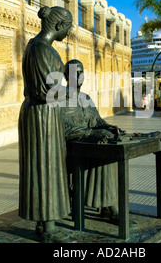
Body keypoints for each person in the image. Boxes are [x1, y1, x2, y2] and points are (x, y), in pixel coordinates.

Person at [18, 6, 73, 242]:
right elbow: (47, 91)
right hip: (41, 115)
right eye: (68, 28)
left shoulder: (38, 47)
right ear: (59, 26)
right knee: (45, 167)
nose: (68, 34)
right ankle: (47, 227)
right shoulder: (41, 50)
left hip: (42, 114)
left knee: (46, 166)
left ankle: (46, 222)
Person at [60, 59, 120, 223]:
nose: (79, 76)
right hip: (71, 149)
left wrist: (111, 128)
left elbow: (97, 122)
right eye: (74, 72)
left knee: (112, 146)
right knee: (102, 154)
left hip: (89, 144)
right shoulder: (60, 99)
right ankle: (111, 207)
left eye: (81, 72)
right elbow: (65, 130)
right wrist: (90, 134)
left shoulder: (85, 98)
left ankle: (108, 204)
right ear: (66, 76)